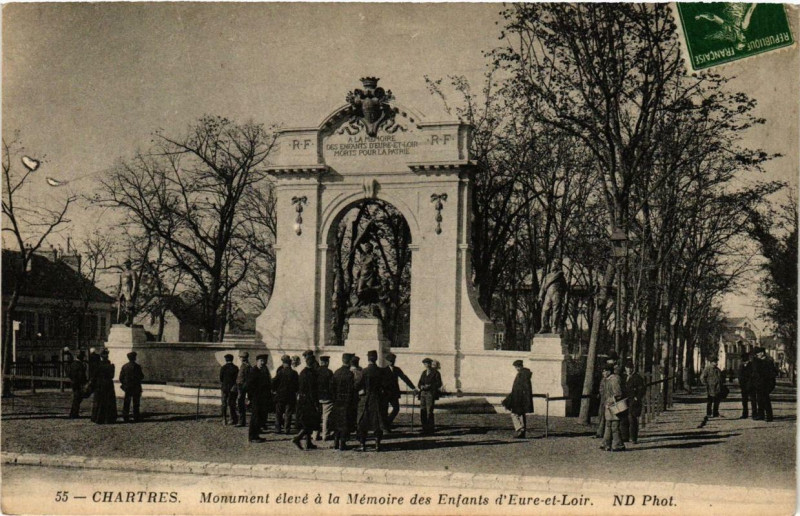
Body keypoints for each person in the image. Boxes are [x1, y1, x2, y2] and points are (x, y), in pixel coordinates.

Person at [356, 350, 386, 452]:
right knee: (377, 422)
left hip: (365, 400)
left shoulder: (364, 371)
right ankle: (377, 445)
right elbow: (385, 386)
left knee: (362, 422)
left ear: (368, 358)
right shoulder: (381, 371)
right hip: (377, 400)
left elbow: (357, 385)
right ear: (376, 358)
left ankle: (362, 445)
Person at [293, 354, 321, 450]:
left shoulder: (303, 372)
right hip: (309, 401)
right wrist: (316, 403)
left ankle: (308, 443)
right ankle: (297, 438)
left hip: (302, 400)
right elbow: (312, 391)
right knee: (310, 423)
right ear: (313, 363)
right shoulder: (311, 374)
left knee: (306, 422)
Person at [383, 352, 416, 429]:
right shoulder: (383, 370)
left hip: (394, 393)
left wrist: (413, 387)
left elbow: (404, 378)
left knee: (396, 408)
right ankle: (385, 426)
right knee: (384, 410)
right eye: (390, 360)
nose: (392, 362)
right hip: (385, 394)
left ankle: (388, 422)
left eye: (393, 360)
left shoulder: (397, 369)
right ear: (387, 361)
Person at [331, 353, 357, 451]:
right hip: (346, 402)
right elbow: (351, 390)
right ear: (350, 361)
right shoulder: (350, 374)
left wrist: (335, 399)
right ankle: (342, 443)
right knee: (345, 423)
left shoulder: (336, 372)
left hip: (337, 401)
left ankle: (335, 443)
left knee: (337, 422)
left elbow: (331, 388)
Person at [245, 354, 272, 443]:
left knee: (261, 416)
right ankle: (252, 437)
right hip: (256, 398)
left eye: (264, 361)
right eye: (261, 361)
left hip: (263, 397)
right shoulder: (254, 371)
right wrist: (250, 398)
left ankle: (256, 434)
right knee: (255, 417)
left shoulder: (264, 370)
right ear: (257, 361)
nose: (262, 363)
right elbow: (249, 385)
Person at [502, 359, 533, 438]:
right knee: (521, 415)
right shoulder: (525, 374)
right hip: (522, 399)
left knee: (514, 414)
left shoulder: (521, 374)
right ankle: (522, 430)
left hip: (518, 399)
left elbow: (518, 388)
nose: (516, 369)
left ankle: (520, 429)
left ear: (518, 367)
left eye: (516, 367)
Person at [600, 364, 625, 451]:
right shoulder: (606, 380)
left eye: (605, 371)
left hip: (614, 405)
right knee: (609, 424)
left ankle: (617, 444)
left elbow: (618, 393)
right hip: (609, 405)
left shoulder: (614, 379)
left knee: (614, 425)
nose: (603, 373)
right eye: (603, 371)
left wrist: (609, 401)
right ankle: (607, 444)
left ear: (609, 371)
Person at [91, 349, 117, 424]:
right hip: (108, 384)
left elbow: (94, 376)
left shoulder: (98, 366)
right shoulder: (111, 366)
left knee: (99, 401)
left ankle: (98, 418)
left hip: (100, 385)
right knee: (109, 402)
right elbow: (112, 376)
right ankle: (109, 418)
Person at [273, 355, 299, 434]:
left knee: (279, 413)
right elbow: (297, 385)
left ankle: (278, 429)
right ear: (290, 363)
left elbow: (274, 382)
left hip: (280, 395)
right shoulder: (294, 373)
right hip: (290, 396)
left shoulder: (280, 372)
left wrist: (275, 390)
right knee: (288, 413)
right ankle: (286, 429)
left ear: (284, 363)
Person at [417, 358, 442, 435]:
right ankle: (424, 427)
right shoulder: (424, 373)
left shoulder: (436, 373)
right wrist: (421, 386)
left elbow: (439, 383)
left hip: (430, 394)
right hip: (423, 394)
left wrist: (430, 386)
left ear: (430, 364)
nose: (426, 365)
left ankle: (430, 428)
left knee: (429, 411)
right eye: (424, 364)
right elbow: (419, 382)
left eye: (427, 363)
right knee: (422, 411)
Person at [752, 347, 776, 422]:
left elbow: (771, 374)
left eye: (758, 353)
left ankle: (769, 416)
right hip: (759, 384)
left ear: (762, 353)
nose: (757, 355)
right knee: (759, 399)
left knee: (766, 400)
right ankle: (761, 415)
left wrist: (770, 384)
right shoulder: (758, 361)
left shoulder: (768, 361)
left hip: (766, 384)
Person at [623, 362, 645, 444]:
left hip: (634, 401)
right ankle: (625, 436)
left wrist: (637, 398)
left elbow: (642, 390)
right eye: (627, 368)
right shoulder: (624, 377)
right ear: (625, 368)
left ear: (633, 368)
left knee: (632, 419)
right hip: (625, 400)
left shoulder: (637, 378)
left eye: (630, 368)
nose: (629, 370)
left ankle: (633, 438)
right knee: (624, 419)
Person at [119, 351, 144, 423]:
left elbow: (121, 378)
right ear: (134, 358)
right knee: (136, 403)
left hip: (128, 387)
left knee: (126, 402)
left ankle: (125, 417)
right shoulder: (137, 367)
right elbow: (141, 376)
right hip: (136, 387)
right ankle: (136, 417)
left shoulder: (125, 366)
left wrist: (125, 384)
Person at [314, 356, 334, 441]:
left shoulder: (315, 372)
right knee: (326, 417)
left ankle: (315, 434)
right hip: (327, 397)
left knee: (317, 416)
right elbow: (332, 386)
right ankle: (325, 435)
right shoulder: (329, 372)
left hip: (317, 397)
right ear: (326, 362)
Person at [67, 350, 88, 418]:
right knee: (77, 399)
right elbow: (81, 375)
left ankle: (74, 413)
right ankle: (73, 414)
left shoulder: (73, 364)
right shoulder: (79, 364)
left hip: (75, 383)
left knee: (77, 399)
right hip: (78, 384)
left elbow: (69, 373)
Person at [220, 354, 240, 425]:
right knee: (232, 404)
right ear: (232, 359)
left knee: (224, 403)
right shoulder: (236, 368)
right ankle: (232, 419)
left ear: (226, 360)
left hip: (225, 388)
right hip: (233, 388)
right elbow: (237, 378)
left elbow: (221, 378)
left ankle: (224, 419)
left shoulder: (223, 367)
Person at [235, 351, 252, 428]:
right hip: (241, 387)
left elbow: (247, 378)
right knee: (240, 404)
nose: (240, 358)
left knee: (240, 404)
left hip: (242, 387)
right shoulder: (244, 365)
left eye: (241, 357)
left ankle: (241, 421)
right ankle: (242, 421)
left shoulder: (246, 366)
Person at [737, 352, 756, 419]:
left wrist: (750, 383)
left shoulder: (752, 365)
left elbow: (753, 376)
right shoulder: (741, 366)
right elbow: (739, 376)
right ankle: (745, 414)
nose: (743, 360)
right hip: (743, 386)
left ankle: (754, 414)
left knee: (753, 400)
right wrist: (741, 384)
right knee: (744, 401)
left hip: (751, 386)